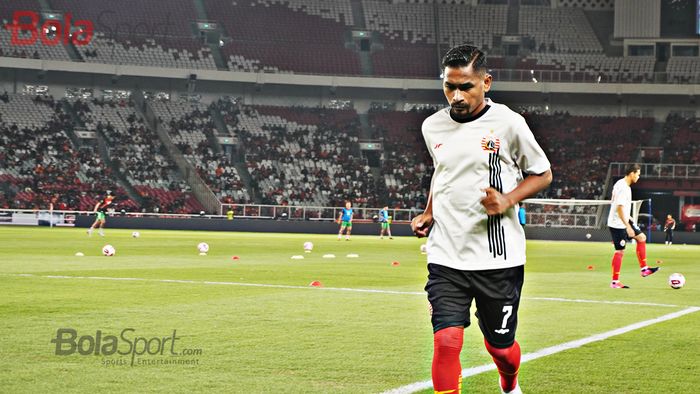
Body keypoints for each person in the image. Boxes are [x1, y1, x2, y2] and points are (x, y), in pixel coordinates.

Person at [411, 44, 552, 394]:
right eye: (449, 86)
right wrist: (429, 212)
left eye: (466, 86)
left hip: (497, 258)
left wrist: (507, 199)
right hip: (446, 253)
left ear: (486, 82)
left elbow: (542, 173)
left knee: (500, 349)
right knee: (446, 340)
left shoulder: (508, 123)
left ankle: (509, 383)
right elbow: (441, 172)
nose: (455, 96)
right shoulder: (432, 126)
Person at [607, 164, 659, 289]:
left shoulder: (621, 184)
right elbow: (619, 208)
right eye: (638, 174)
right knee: (620, 251)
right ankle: (614, 282)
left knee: (641, 238)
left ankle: (644, 269)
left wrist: (629, 220)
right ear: (631, 173)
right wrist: (628, 227)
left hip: (624, 220)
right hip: (617, 223)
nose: (638, 177)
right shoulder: (623, 188)